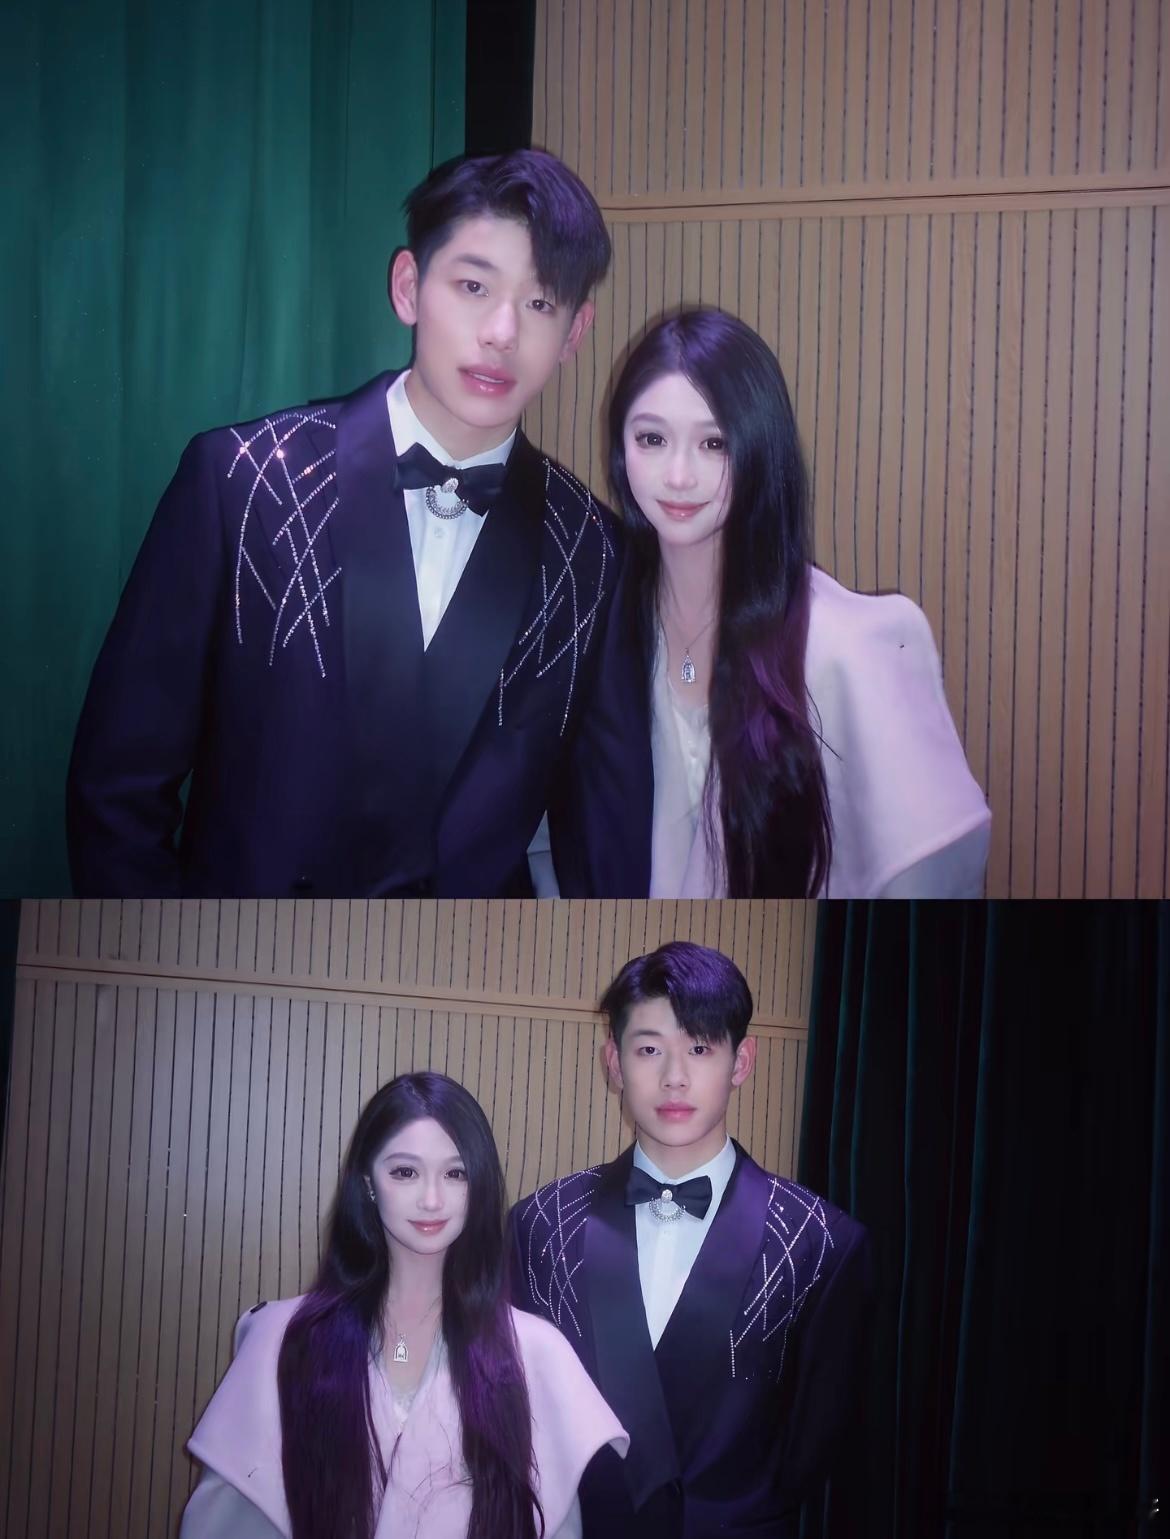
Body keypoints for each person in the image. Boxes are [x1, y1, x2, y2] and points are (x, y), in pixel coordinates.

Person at [67, 149, 632, 897]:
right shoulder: (241, 480)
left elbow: (598, 829)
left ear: (575, 333)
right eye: (473, 286)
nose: (502, 331)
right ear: (408, 287)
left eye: (541, 302)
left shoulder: (593, 550)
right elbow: (118, 792)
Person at [600, 306, 992, 897]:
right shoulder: (603, 622)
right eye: (651, 439)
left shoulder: (850, 648)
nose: (678, 475)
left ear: (760, 448)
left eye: (714, 443)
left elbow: (934, 871)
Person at [509, 941, 872, 1539]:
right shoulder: (541, 1226)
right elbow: (521, 1414)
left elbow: (817, 1447)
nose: (674, 1077)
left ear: (741, 1061)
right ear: (613, 1062)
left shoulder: (821, 1243)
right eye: (649, 1049)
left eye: (700, 1048)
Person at [180, 1071, 627, 1539]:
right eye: (405, 1172)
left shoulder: (536, 1354)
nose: (431, 1200)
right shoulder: (281, 1339)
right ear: (368, 1182)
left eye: (455, 1174)